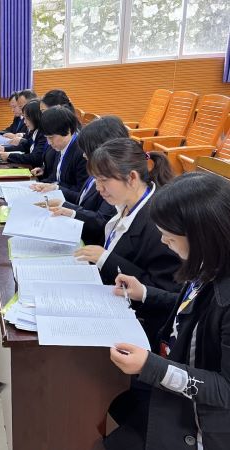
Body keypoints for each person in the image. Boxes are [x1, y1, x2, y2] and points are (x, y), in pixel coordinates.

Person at [105, 172, 230, 450]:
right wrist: (145, 293)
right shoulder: (208, 264)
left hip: (197, 423)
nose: (163, 242)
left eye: (169, 237)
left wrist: (151, 367)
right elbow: (190, 310)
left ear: (202, 237)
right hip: (168, 384)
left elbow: (225, 390)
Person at [74, 137, 180, 347]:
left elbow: (162, 291)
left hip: (138, 326)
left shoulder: (159, 225)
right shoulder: (126, 203)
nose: (98, 188)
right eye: (96, 180)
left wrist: (106, 259)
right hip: (111, 298)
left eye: (104, 180)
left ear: (131, 177)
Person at [40, 116, 125, 245]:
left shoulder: (115, 181)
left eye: (87, 151)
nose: (84, 155)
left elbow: (102, 220)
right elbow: (83, 199)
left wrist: (72, 212)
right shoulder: (96, 169)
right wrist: (63, 203)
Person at [29, 106, 88, 192]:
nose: (49, 142)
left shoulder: (83, 154)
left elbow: (81, 193)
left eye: (51, 137)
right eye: (47, 137)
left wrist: (56, 188)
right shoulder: (61, 145)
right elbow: (56, 177)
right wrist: (41, 183)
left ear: (68, 130)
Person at [0, 100, 48, 167]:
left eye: (26, 118)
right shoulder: (34, 131)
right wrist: (5, 149)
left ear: (35, 117)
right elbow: (26, 146)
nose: (24, 122)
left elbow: (35, 158)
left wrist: (10, 156)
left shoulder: (43, 134)